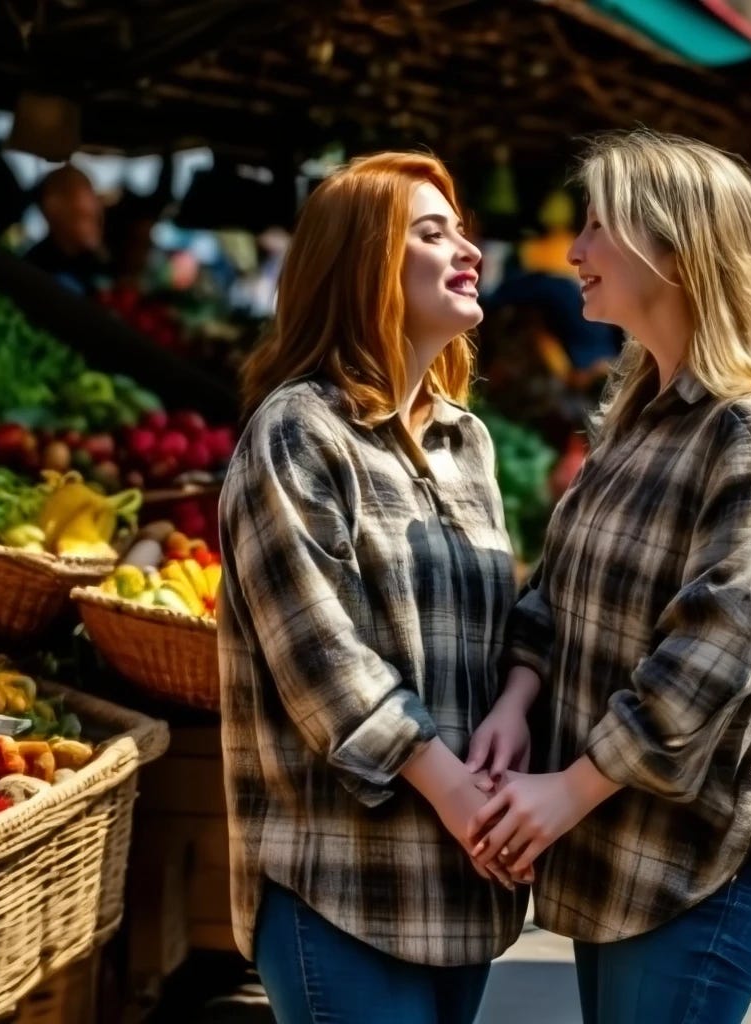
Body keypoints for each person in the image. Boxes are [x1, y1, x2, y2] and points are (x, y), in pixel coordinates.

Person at [464, 129, 751, 1024]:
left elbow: (714, 652)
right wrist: (520, 699)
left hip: (701, 861)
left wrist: (567, 788)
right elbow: (554, 588)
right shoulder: (639, 416)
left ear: (676, 249)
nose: (575, 251)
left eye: (600, 226)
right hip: (621, 852)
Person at [217, 151, 527, 1024]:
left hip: (463, 885)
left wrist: (514, 715)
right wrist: (454, 787)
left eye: (461, 229)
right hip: (342, 887)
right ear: (363, 268)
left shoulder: (470, 443)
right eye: (432, 233)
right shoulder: (296, 432)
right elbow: (320, 657)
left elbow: (492, 631)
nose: (466, 248)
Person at [23, 164, 107, 294]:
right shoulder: (34, 273)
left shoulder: (94, 268)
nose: (96, 207)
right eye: (83, 216)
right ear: (53, 206)